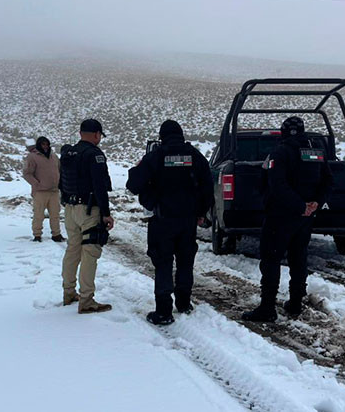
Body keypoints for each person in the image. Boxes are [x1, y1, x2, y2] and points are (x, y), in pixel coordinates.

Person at [242, 117, 333, 322]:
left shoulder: (280, 152)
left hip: (281, 215)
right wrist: (314, 204)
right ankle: (295, 303)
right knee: (298, 258)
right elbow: (327, 181)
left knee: (271, 259)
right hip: (305, 216)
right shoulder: (316, 151)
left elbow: (277, 184)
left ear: (283, 132)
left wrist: (301, 206)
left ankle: (267, 308)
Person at [127, 120, 214, 325]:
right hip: (188, 220)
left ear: (162, 136)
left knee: (163, 262)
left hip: (163, 220)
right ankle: (183, 303)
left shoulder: (155, 156)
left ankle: (164, 311)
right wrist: (201, 212)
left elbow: (133, 184)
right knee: (185, 261)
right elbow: (208, 187)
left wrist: (140, 171)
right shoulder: (195, 156)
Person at [59, 119, 114, 314]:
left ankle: (68, 292)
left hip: (70, 208)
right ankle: (87, 300)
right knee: (90, 253)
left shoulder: (68, 153)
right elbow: (100, 185)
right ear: (96, 134)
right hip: (89, 210)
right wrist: (106, 214)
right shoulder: (94, 155)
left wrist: (66, 202)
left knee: (73, 249)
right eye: (99, 135)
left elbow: (61, 182)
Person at [22, 136, 64, 243]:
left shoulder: (54, 156)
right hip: (40, 192)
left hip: (54, 191)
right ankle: (37, 235)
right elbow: (27, 174)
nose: (45, 146)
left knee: (55, 214)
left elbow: (60, 170)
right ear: (38, 145)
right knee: (38, 215)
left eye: (47, 144)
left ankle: (56, 234)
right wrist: (37, 184)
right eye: (43, 144)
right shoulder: (32, 157)